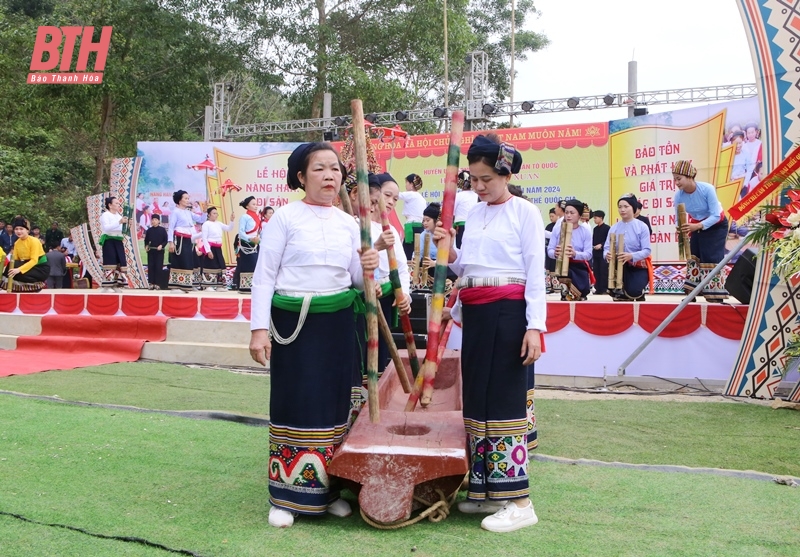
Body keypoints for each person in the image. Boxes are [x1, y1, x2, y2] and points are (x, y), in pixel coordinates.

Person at [248, 142, 379, 529]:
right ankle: (286, 497)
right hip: (294, 327)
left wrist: (369, 263)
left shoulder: (350, 223)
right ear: (301, 178)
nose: (329, 176)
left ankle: (328, 491)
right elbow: (264, 276)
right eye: (319, 169)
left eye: (335, 169)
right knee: (297, 402)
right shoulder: (284, 218)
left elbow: (357, 280)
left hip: (337, 323)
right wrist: (258, 331)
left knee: (335, 405)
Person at [435, 134, 544, 533]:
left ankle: (520, 501)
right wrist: (449, 252)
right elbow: (471, 269)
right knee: (477, 399)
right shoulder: (476, 214)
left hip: (510, 313)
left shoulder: (525, 213)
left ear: (506, 173)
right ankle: (485, 493)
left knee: (502, 402)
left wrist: (534, 328)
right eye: (474, 180)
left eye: (486, 180)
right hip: (478, 315)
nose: (479, 187)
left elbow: (535, 275)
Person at [370, 173, 412, 376]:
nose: (391, 202)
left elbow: (402, 268)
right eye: (387, 195)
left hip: (387, 296)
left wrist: (403, 293)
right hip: (365, 298)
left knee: (382, 353)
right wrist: (376, 246)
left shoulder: (393, 231)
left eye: (395, 199)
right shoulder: (356, 224)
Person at [673, 159, 729, 301]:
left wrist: (696, 226)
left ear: (689, 176)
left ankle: (714, 295)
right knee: (694, 257)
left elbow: (716, 215)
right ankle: (692, 293)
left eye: (679, 179)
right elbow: (677, 217)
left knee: (711, 257)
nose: (676, 182)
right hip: (696, 225)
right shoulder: (678, 196)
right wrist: (679, 228)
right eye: (674, 179)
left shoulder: (707, 189)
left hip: (716, 225)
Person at [603, 195, 652, 301]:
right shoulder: (614, 227)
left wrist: (631, 256)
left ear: (633, 208)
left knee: (634, 291)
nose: (622, 209)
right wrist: (606, 254)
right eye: (620, 207)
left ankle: (637, 292)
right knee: (615, 290)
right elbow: (606, 247)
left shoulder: (642, 226)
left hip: (637, 267)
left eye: (626, 206)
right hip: (618, 266)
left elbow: (647, 250)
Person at [547, 199, 594, 300]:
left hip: (579, 267)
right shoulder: (557, 229)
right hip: (563, 267)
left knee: (582, 293)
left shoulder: (585, 231)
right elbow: (550, 250)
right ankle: (565, 293)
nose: (568, 215)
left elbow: (588, 254)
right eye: (566, 212)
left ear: (579, 215)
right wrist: (555, 253)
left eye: (572, 213)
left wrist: (575, 254)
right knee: (566, 291)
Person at [167, 190, 203, 292]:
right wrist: (171, 243)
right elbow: (171, 228)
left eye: (188, 198)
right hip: (180, 239)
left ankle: (186, 285)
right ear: (179, 200)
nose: (188, 200)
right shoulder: (175, 212)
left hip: (188, 239)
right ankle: (175, 286)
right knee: (179, 260)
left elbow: (201, 219)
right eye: (186, 198)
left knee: (188, 260)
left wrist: (204, 211)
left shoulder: (188, 212)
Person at [1, 218, 49, 292]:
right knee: (12, 266)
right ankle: (3, 283)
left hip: (39, 268)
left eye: (21, 229)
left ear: (27, 230)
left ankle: (36, 285)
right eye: (16, 229)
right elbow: (15, 261)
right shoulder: (17, 243)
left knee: (16, 272)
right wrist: (13, 269)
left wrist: (19, 270)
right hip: (27, 266)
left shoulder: (34, 241)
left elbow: (34, 260)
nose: (19, 231)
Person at [200, 206, 235, 291]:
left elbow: (229, 228)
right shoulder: (206, 224)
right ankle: (208, 285)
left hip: (218, 247)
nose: (216, 215)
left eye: (217, 213)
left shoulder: (219, 223)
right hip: (210, 247)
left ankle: (220, 285)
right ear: (209, 215)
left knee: (221, 265)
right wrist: (208, 251)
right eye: (214, 213)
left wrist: (232, 220)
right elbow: (204, 238)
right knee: (210, 265)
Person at [99, 196, 129, 291]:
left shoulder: (119, 216)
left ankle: (116, 284)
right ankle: (107, 285)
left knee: (119, 261)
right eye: (116, 203)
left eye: (118, 203)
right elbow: (107, 228)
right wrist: (119, 222)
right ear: (110, 205)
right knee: (110, 261)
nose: (118, 205)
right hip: (109, 240)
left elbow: (122, 230)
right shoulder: (105, 215)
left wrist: (128, 225)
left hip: (118, 240)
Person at [235, 196, 261, 293]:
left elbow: (260, 232)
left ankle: (254, 287)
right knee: (249, 265)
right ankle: (245, 288)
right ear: (247, 206)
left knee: (256, 265)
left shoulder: (257, 217)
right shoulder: (244, 217)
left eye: (256, 204)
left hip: (255, 244)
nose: (256, 206)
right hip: (247, 244)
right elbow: (241, 233)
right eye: (253, 204)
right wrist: (251, 239)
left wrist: (260, 240)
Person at [399, 173, 426, 259]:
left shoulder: (411, 194)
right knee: (418, 251)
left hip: (412, 227)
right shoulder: (421, 198)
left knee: (408, 252)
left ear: (411, 184)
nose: (405, 185)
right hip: (420, 227)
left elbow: (396, 194)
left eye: (406, 183)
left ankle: (408, 271)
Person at [454, 170, 478, 248]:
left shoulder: (458, 196)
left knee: (460, 248)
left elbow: (452, 213)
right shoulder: (476, 196)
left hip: (461, 227)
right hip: (474, 226)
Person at [144, 214, 168, 289]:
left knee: (158, 267)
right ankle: (151, 283)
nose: (154, 221)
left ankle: (158, 284)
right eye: (153, 220)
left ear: (158, 221)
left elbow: (165, 240)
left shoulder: (162, 230)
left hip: (159, 252)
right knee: (151, 266)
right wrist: (146, 246)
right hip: (151, 251)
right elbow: (146, 240)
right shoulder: (149, 230)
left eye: (155, 220)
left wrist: (161, 245)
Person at [591, 210, 610, 295]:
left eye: (596, 218)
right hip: (595, 253)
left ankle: (604, 289)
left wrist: (601, 245)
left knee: (603, 271)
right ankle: (598, 288)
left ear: (601, 218)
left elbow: (608, 240)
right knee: (596, 271)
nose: (594, 220)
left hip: (603, 253)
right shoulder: (595, 229)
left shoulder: (607, 228)